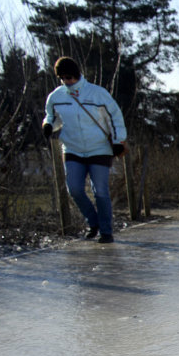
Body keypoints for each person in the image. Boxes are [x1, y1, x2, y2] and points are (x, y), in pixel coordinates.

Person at [42, 57, 128, 244]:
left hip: (99, 148)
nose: (68, 81)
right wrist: (48, 125)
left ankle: (106, 231)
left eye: (71, 77)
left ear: (78, 74)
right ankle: (93, 222)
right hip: (72, 148)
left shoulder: (97, 93)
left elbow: (115, 117)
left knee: (101, 192)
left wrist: (118, 140)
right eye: (64, 78)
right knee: (74, 189)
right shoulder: (56, 97)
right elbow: (52, 117)